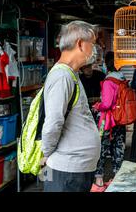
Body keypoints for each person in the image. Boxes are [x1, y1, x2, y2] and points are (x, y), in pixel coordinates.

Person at [41, 21, 101, 192]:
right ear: (81, 44)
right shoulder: (62, 76)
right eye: (93, 44)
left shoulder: (70, 74)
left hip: (75, 169)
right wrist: (46, 154)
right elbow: (53, 123)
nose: (95, 50)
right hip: (65, 171)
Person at [91, 69, 127, 192]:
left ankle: (99, 181)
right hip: (120, 119)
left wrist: (97, 106)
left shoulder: (108, 82)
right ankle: (118, 178)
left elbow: (106, 104)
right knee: (118, 147)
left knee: (101, 148)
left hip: (106, 121)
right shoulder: (122, 80)